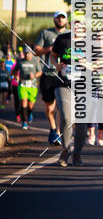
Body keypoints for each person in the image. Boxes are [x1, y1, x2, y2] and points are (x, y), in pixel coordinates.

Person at [50, 24, 87, 166]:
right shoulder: (62, 39)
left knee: (81, 123)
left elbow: (99, 65)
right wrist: (56, 65)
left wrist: (87, 63)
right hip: (63, 83)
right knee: (66, 115)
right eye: (76, 23)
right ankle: (66, 149)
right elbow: (53, 57)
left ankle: (77, 153)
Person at [34, 9, 69, 144]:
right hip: (48, 74)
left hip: (63, 76)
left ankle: (58, 133)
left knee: (61, 106)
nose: (60, 20)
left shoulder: (69, 35)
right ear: (54, 19)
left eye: (63, 18)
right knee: (50, 107)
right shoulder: (46, 33)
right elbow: (36, 50)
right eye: (58, 18)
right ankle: (53, 128)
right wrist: (50, 49)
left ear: (66, 20)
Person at [12, 47, 42, 128]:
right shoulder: (20, 61)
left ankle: (30, 113)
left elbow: (40, 72)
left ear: (31, 53)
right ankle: (24, 121)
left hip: (32, 86)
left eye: (28, 53)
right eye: (25, 53)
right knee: (23, 102)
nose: (26, 55)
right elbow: (13, 71)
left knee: (30, 106)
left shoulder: (35, 61)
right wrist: (15, 76)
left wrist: (34, 75)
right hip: (22, 85)